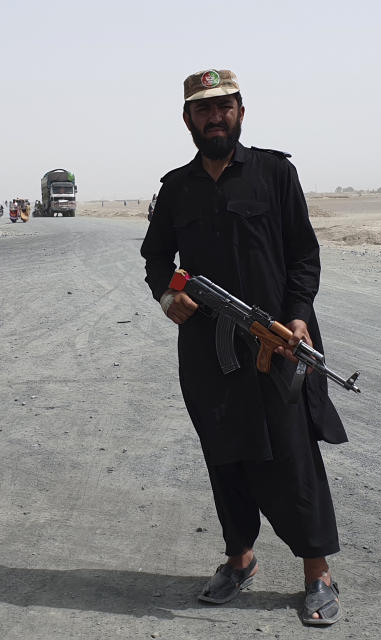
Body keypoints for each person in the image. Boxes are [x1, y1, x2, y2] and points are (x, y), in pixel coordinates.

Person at [140, 69, 348, 626]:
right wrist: (168, 296)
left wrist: (299, 319)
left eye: (224, 107)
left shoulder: (275, 174)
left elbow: (304, 256)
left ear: (241, 111)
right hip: (208, 352)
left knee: (294, 458)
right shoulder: (177, 188)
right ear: (188, 120)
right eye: (203, 110)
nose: (215, 117)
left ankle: (317, 573)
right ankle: (240, 559)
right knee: (225, 455)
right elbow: (157, 257)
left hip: (278, 344)